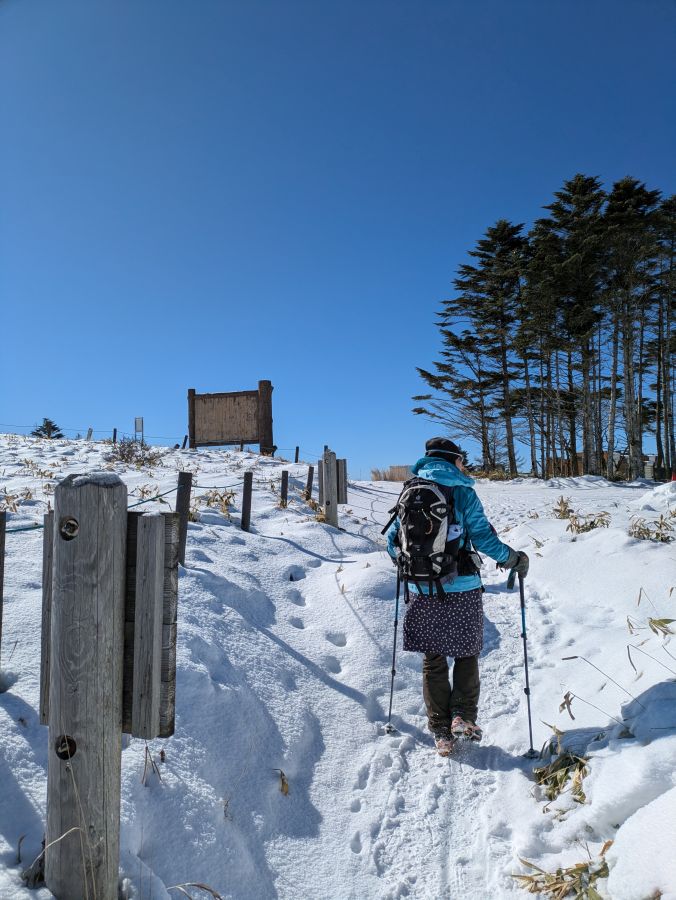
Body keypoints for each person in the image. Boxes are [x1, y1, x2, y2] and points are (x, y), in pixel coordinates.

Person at [386, 437, 529, 755]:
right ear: (453, 460)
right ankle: (462, 717)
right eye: (462, 460)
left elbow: (392, 540)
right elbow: (482, 535)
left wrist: (411, 566)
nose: (464, 465)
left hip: (420, 588)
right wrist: (512, 559)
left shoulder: (411, 489)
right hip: (462, 585)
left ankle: (440, 732)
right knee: (466, 651)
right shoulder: (464, 492)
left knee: (433, 658)